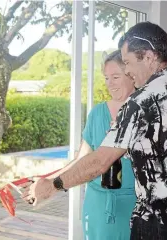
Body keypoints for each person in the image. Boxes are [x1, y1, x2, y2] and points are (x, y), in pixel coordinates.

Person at [22, 22, 167, 239]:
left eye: (128, 63)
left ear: (149, 57)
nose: (128, 71)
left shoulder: (140, 101)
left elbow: (99, 162)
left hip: (159, 225)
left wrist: (53, 185)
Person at [46, 50, 136, 239]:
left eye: (115, 77)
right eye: (106, 78)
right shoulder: (97, 113)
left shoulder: (145, 113)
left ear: (131, 75)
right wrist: (49, 182)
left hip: (135, 206)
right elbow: (82, 158)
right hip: (97, 205)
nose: (109, 83)